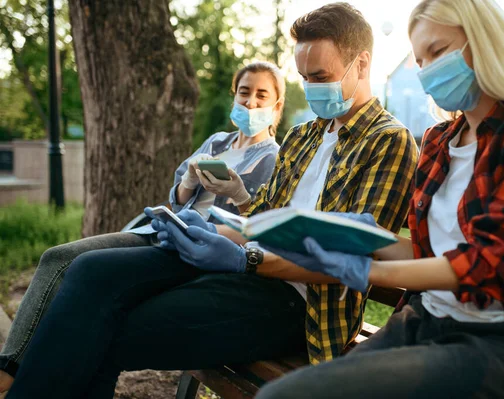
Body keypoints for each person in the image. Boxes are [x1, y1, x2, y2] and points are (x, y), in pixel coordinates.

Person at [4, 3, 418, 399]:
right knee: (89, 270)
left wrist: (247, 259)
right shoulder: (304, 136)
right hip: (246, 268)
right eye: (304, 77)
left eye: (320, 75)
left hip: (298, 304)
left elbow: (351, 262)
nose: (311, 88)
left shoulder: (388, 141)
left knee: (104, 327)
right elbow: (261, 218)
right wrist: (208, 230)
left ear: (361, 64)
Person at [254, 1, 504, 398]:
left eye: (438, 52)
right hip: (426, 321)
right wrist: (365, 238)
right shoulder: (439, 141)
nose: (427, 70)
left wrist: (370, 271)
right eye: (420, 59)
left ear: (486, 42)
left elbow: (492, 265)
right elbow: (428, 251)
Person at [0, 60, 284, 393]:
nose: (250, 103)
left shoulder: (272, 158)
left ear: (276, 105)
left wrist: (237, 194)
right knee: (60, 257)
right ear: (234, 96)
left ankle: (14, 371)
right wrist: (189, 181)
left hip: (202, 249)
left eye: (261, 95)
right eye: (244, 93)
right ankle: (14, 366)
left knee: (87, 279)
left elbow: (259, 222)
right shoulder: (218, 142)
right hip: (162, 231)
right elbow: (178, 198)